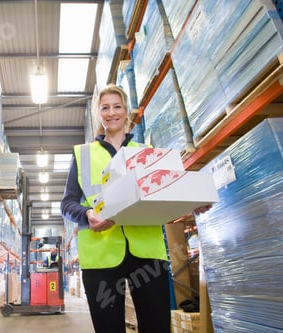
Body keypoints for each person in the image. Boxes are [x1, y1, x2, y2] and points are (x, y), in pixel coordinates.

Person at [60, 84, 211, 333]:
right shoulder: (83, 154)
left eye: (117, 106)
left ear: (126, 111)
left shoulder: (146, 153)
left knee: (157, 327)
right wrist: (87, 214)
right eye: (105, 107)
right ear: (99, 114)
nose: (111, 113)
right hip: (101, 255)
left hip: (147, 253)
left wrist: (192, 203)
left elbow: (165, 193)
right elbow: (67, 204)